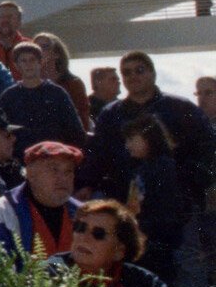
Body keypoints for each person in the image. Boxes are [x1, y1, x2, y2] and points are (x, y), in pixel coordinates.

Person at [46, 200, 212, 287]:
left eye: (98, 234)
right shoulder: (50, 273)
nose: (84, 238)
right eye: (80, 228)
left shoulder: (140, 281)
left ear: (119, 251)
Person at [82, 51, 215, 217]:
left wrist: (193, 181)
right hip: (125, 205)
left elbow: (207, 148)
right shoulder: (110, 115)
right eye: (127, 72)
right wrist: (87, 184)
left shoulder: (181, 108)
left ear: (153, 73)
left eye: (139, 70)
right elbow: (96, 155)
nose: (133, 76)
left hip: (178, 205)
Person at [0, 141, 85, 261]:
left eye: (68, 171)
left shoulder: (83, 213)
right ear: (31, 174)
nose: (63, 178)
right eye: (54, 170)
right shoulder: (2, 212)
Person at [125, 114, 188, 283]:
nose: (127, 145)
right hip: (147, 237)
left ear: (149, 137)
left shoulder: (163, 168)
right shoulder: (143, 168)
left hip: (158, 242)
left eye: (132, 139)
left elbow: (166, 210)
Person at [0, 42, 86, 154]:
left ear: (40, 62)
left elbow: (75, 130)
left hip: (54, 155)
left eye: (32, 60)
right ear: (16, 65)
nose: (28, 64)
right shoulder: (8, 97)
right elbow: (2, 134)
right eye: (23, 61)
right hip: (21, 157)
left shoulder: (57, 93)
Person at [34, 32, 92, 132]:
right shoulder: (28, 83)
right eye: (35, 47)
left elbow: (82, 121)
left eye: (44, 47)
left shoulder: (73, 84)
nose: (38, 51)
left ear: (57, 54)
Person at [0, 0, 32, 67]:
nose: (5, 20)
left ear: (19, 21)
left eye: (10, 17)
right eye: (1, 16)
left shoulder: (29, 47)